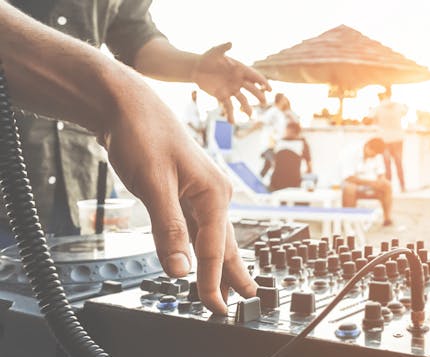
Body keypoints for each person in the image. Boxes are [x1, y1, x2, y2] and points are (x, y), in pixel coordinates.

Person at [0, 2, 268, 314]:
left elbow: (134, 34)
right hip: (9, 180)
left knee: (71, 320)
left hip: (82, 181)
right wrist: (115, 90)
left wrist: (192, 67)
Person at [340, 138, 393, 226]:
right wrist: (371, 183)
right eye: (373, 154)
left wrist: (381, 180)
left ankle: (387, 219)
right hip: (352, 183)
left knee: (387, 185)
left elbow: (381, 173)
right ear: (368, 147)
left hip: (371, 183)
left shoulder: (377, 154)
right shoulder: (350, 151)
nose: (374, 156)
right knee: (350, 188)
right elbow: (348, 178)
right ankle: (349, 222)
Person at [370, 88, 408, 192]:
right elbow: (405, 111)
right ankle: (403, 186)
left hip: (385, 139)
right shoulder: (398, 105)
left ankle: (388, 188)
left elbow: (372, 121)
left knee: (387, 164)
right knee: (398, 163)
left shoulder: (377, 108)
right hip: (398, 137)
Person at [266, 122, 312, 192]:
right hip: (280, 183)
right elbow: (309, 168)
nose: (286, 133)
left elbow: (309, 168)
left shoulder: (301, 143)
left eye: (287, 131)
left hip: (286, 184)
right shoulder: (279, 142)